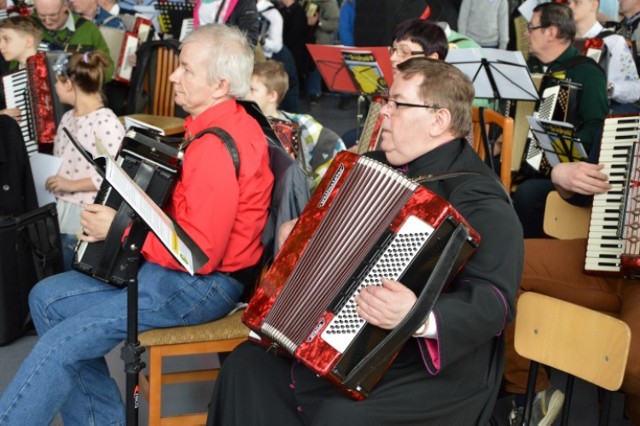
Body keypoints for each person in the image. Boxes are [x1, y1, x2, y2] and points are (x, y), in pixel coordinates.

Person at [207, 57, 524, 425]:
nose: (384, 112)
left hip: (425, 369)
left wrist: (417, 316)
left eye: (398, 103)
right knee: (246, 366)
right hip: (340, 345)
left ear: (439, 120)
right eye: (386, 101)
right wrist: (296, 237)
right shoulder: (370, 167)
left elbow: (495, 302)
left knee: (340, 417)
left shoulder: (479, 197)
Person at [0, 23, 273, 425]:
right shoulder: (228, 120)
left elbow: (198, 255)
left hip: (202, 285)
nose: (174, 76)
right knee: (45, 297)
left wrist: (121, 229)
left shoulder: (214, 147)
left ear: (220, 84)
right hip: (183, 271)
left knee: (63, 341)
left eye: (185, 69)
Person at [504, 160, 640, 425]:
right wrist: (562, 177)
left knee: (632, 368)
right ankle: (532, 396)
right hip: (609, 252)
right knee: (503, 264)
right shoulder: (627, 119)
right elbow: (592, 188)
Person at [511, 2, 609, 238]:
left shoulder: (586, 72)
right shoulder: (528, 69)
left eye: (531, 28)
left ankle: (528, 259)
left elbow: (598, 126)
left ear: (551, 32)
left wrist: (557, 146)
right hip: (523, 166)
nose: (526, 33)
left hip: (566, 169)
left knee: (528, 193)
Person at [42, 50, 123, 270]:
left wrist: (70, 184)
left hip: (83, 213)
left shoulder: (105, 122)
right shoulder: (68, 117)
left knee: (72, 267)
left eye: (57, 82)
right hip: (61, 209)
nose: (54, 87)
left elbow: (114, 175)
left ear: (69, 84)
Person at [247, 59, 345, 183]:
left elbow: (297, 180)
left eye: (252, 90)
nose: (245, 93)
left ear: (272, 96)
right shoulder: (244, 120)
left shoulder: (286, 131)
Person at [570, 0, 640, 113]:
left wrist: (608, 87)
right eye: (568, 2)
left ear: (593, 5)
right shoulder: (560, 41)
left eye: (577, 2)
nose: (570, 6)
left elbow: (635, 90)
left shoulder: (613, 41)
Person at [32, 0, 114, 80]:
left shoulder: (89, 29)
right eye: (42, 15)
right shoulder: (29, 27)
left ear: (65, 6)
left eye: (53, 15)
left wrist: (86, 79)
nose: (47, 21)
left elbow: (108, 68)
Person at [0, 16, 41, 120]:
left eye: (6, 39)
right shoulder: (7, 80)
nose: (1, 46)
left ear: (28, 42)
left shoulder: (54, 69)